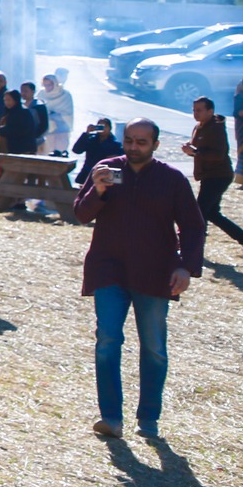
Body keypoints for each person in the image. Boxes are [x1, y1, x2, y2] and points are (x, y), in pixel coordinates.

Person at [74, 120, 204, 439]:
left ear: (156, 145)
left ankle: (148, 418)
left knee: (154, 347)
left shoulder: (171, 179)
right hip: (109, 269)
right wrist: (98, 190)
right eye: (129, 140)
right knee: (107, 341)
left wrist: (185, 267)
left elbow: (193, 225)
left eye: (142, 142)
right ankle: (111, 417)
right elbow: (80, 213)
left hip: (155, 273)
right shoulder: (106, 170)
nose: (134, 147)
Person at [182, 96, 243, 264]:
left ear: (210, 111)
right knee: (211, 213)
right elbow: (201, 149)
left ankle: (193, 249)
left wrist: (194, 152)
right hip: (209, 176)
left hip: (219, 176)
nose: (195, 113)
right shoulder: (200, 126)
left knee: (199, 212)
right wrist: (191, 149)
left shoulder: (216, 128)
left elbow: (218, 155)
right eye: (194, 110)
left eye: (199, 110)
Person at [73, 117, 123, 185]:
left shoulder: (116, 145)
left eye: (104, 126)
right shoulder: (91, 140)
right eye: (100, 126)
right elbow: (76, 150)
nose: (102, 129)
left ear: (110, 128)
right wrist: (86, 134)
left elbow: (122, 162)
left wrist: (114, 158)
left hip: (105, 176)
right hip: (87, 174)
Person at [39, 72, 75, 154]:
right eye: (45, 85)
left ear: (55, 84)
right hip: (46, 131)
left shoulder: (65, 95)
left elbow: (68, 113)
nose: (47, 87)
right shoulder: (41, 94)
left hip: (61, 130)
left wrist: (55, 115)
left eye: (49, 85)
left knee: (60, 153)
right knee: (46, 153)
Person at [0, 88, 42, 155]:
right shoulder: (9, 112)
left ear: (15, 99)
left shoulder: (23, 112)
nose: (7, 102)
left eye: (9, 100)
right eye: (5, 100)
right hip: (13, 149)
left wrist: (1, 131)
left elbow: (19, 130)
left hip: (24, 149)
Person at [19, 81, 49, 150]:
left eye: (26, 91)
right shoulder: (20, 106)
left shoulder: (39, 106)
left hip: (37, 141)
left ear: (32, 92)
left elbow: (44, 125)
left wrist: (33, 136)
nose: (23, 93)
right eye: (22, 91)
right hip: (23, 141)